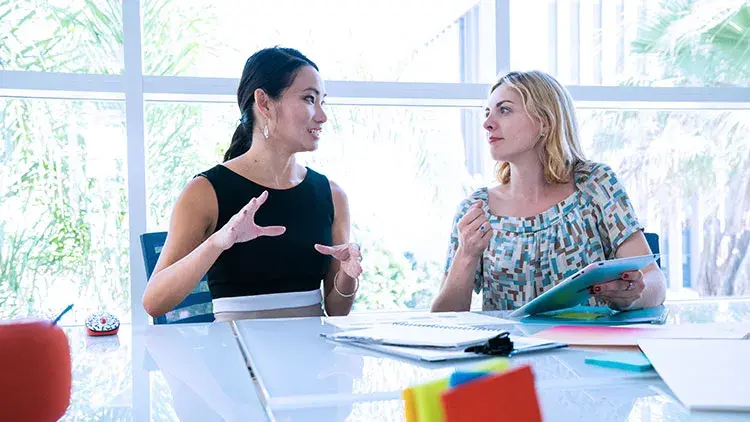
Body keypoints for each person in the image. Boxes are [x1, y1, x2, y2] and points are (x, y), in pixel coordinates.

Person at [142, 47, 362, 322]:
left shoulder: (332, 195)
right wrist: (217, 243)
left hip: (312, 357)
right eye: (309, 99)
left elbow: (337, 309)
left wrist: (347, 275)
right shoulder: (204, 192)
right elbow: (154, 302)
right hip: (233, 356)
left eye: (322, 102)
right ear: (265, 102)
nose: (322, 116)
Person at [432, 70, 666, 312]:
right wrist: (467, 255)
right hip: (509, 350)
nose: (487, 123)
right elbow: (443, 320)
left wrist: (632, 296)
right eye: (488, 112)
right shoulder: (476, 211)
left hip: (589, 347)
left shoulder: (595, 185)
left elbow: (654, 281)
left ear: (544, 122)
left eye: (504, 110)